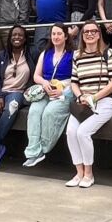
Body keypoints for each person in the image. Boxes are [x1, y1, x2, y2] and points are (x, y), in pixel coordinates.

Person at [63, 21, 112, 188]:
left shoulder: (107, 53)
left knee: (83, 132)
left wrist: (94, 97)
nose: (90, 34)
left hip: (103, 102)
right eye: (86, 32)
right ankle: (79, 172)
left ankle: (89, 174)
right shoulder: (77, 55)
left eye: (93, 31)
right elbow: (74, 82)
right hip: (82, 103)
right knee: (70, 132)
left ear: (99, 34)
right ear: (82, 35)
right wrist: (81, 96)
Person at [22, 22, 77, 167]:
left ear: (66, 36)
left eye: (59, 34)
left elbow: (76, 78)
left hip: (65, 90)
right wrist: (44, 83)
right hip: (46, 89)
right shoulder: (45, 53)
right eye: (53, 34)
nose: (56, 37)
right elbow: (36, 76)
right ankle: (33, 152)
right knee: (34, 111)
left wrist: (62, 89)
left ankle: (43, 150)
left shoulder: (73, 54)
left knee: (49, 113)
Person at [0, 25, 32, 170]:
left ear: (25, 38)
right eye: (14, 35)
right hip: (0, 91)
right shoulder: (1, 55)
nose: (17, 37)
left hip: (18, 92)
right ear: (10, 38)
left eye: (20, 35)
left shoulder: (31, 54)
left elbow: (35, 74)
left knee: (11, 107)